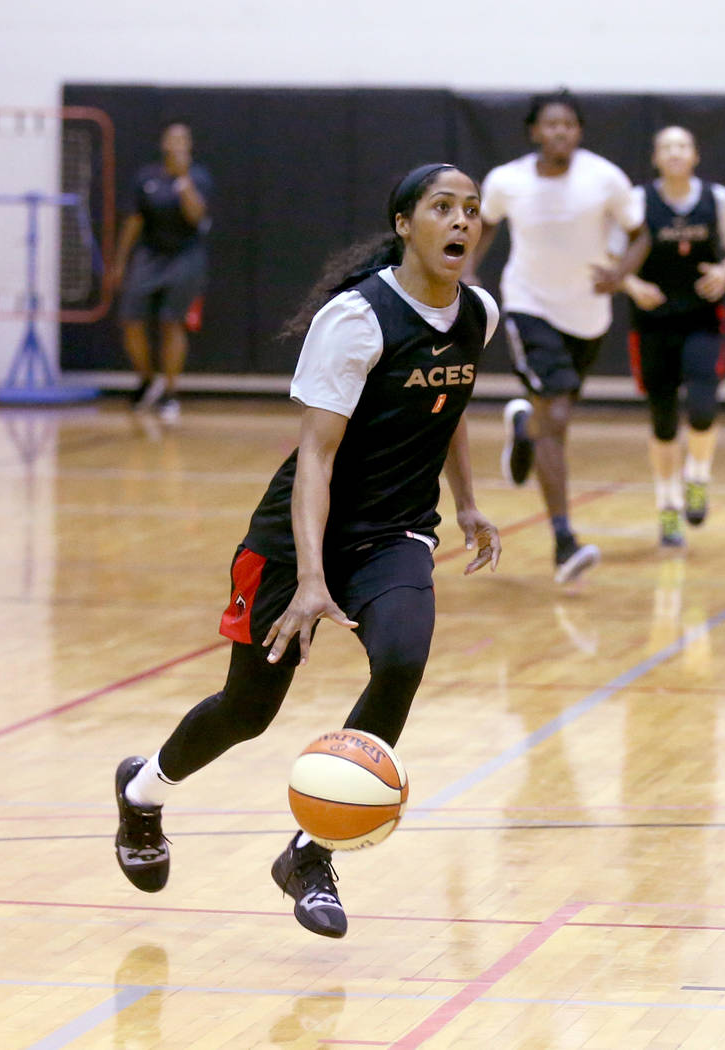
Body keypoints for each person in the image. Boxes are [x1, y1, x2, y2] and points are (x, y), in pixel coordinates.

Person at [113, 163, 501, 940]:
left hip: (394, 536)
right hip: (297, 545)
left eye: (471, 210)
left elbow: (447, 403)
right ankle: (143, 792)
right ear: (404, 224)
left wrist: (465, 502)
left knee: (399, 662)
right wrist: (311, 581)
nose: (461, 222)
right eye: (442, 208)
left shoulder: (477, 313)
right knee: (247, 713)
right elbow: (315, 458)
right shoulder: (356, 320)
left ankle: (311, 852)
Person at [463, 90, 641, 584]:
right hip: (528, 305)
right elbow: (484, 224)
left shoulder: (603, 178)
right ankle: (565, 542)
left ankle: (523, 430)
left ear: (578, 132)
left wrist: (622, 272)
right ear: (534, 132)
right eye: (551, 124)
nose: (560, 132)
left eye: (568, 124)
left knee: (550, 415)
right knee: (558, 412)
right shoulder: (507, 180)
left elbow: (640, 231)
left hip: (587, 315)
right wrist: (471, 275)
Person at [596, 126, 725, 547]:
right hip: (652, 323)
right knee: (663, 421)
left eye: (682, 145)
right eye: (666, 147)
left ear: (695, 154)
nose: (675, 153)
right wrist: (632, 286)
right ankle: (668, 507)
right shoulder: (636, 202)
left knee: (703, 408)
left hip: (702, 320)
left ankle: (698, 478)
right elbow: (611, 256)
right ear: (655, 157)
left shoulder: (717, 200)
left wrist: (724, 270)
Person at [112, 121, 212, 422]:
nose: (177, 143)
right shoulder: (147, 178)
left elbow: (196, 217)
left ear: (190, 145)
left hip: (185, 256)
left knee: (172, 322)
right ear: (163, 143)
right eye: (172, 138)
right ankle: (146, 380)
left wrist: (183, 181)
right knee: (130, 318)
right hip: (149, 255)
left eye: (183, 139)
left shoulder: (198, 177)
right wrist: (120, 261)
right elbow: (134, 221)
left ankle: (169, 393)